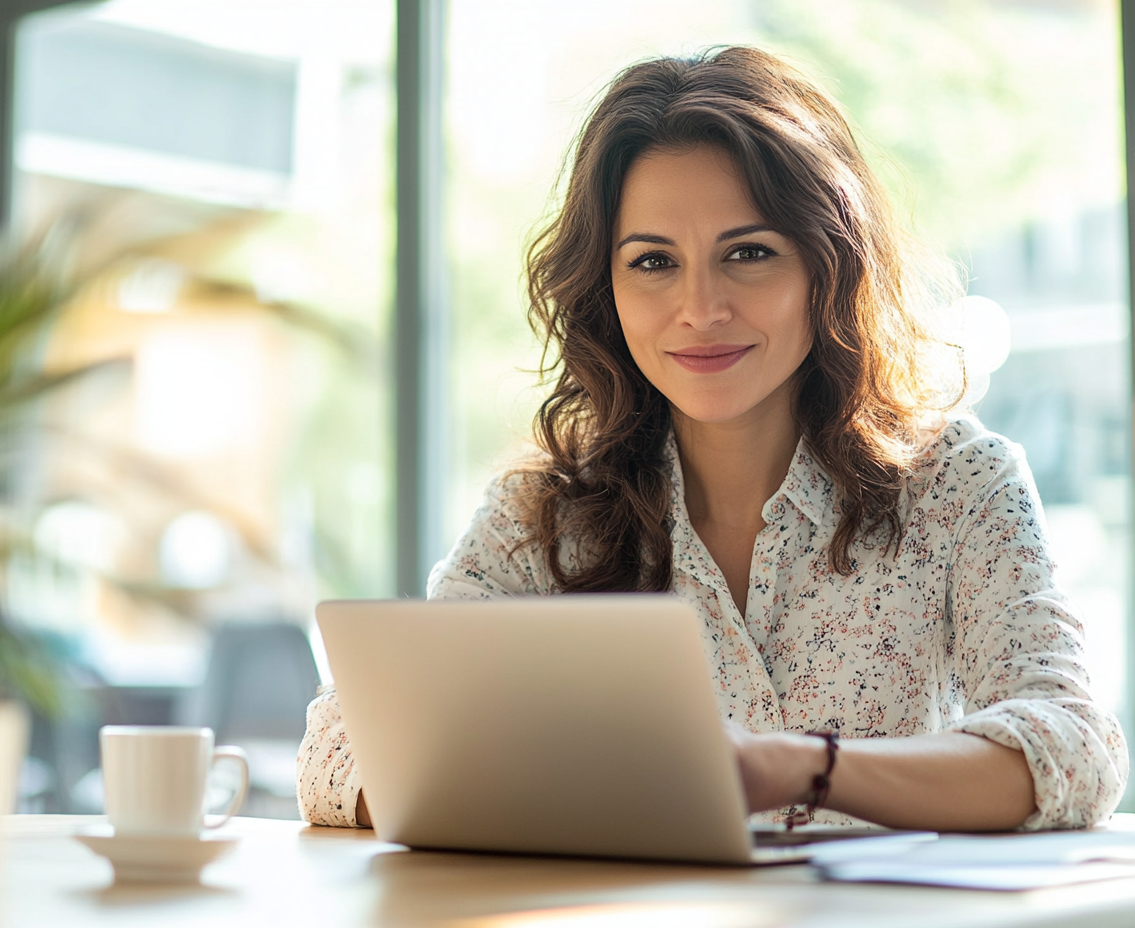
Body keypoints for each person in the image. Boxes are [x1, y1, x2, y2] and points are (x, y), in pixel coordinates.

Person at [297, 46, 1127, 832]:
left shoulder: (959, 485)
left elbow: (1072, 749)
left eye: (749, 253)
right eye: (653, 262)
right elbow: (341, 748)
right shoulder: (545, 515)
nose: (700, 309)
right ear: (606, 286)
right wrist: (564, 786)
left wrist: (801, 768)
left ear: (827, 265)